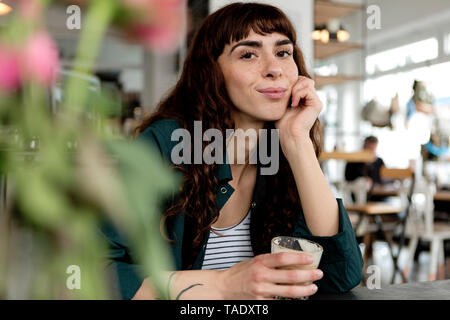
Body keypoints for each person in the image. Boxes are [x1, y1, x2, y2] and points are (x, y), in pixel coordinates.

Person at [103, 3, 363, 300]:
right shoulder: (164, 144)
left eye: (283, 52)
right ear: (211, 73)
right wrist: (225, 285)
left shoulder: (282, 154)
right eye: (248, 54)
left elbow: (340, 275)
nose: (274, 69)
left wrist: (297, 142)